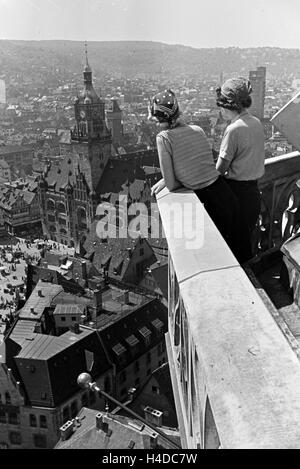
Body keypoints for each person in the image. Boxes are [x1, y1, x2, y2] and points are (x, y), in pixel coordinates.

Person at [150, 89, 240, 257]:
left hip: (205, 203)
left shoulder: (163, 138)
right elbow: (198, 165)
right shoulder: (198, 129)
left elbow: (171, 185)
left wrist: (170, 178)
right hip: (225, 194)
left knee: (216, 259)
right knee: (238, 256)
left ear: (159, 119)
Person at [215, 77, 265, 263]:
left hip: (235, 195)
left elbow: (220, 170)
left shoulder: (233, 129)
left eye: (221, 106)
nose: (220, 111)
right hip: (253, 193)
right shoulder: (256, 123)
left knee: (233, 251)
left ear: (229, 105)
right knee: (245, 245)